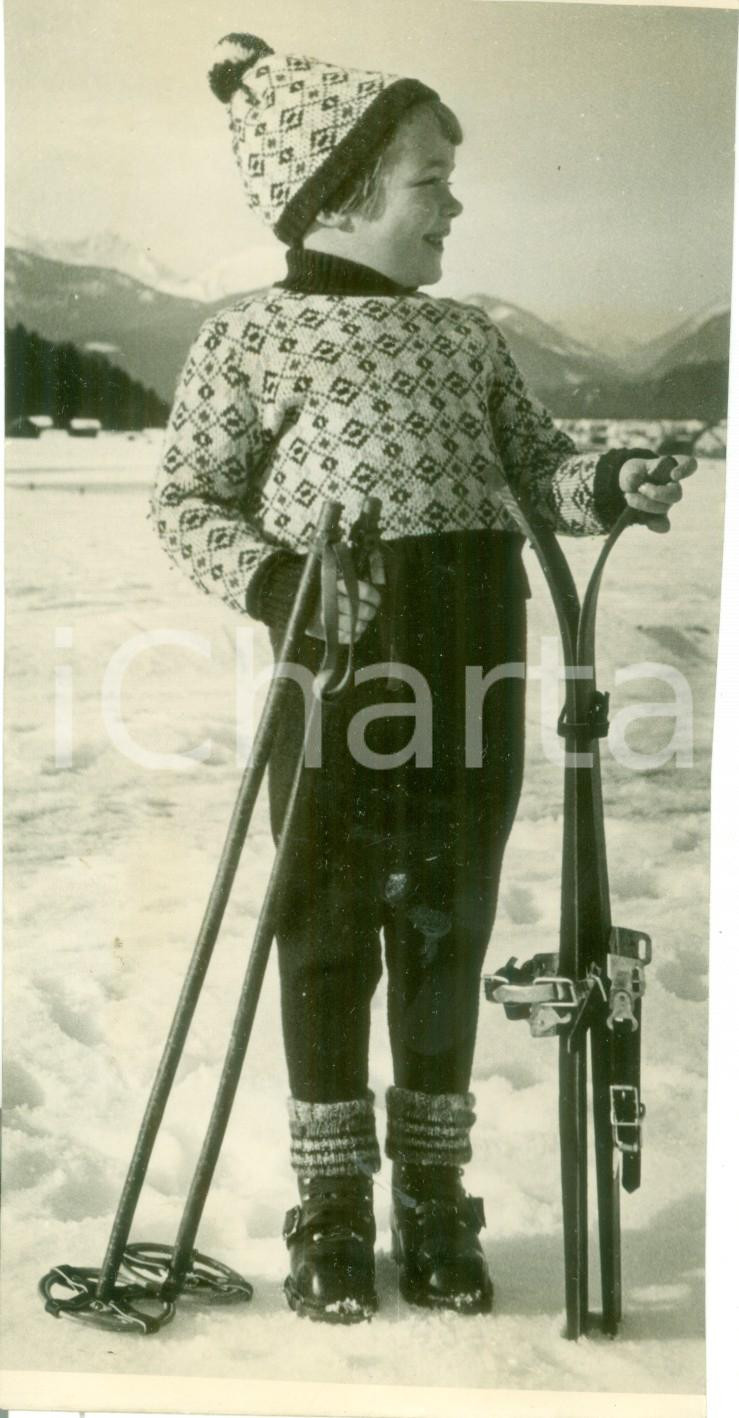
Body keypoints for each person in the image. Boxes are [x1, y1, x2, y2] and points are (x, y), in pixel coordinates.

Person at [152, 31, 694, 1324]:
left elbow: (542, 467)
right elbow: (186, 498)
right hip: (337, 668)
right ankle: (333, 1200)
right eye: (430, 181)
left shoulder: (466, 337)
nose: (454, 203)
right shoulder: (250, 340)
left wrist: (611, 483)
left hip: (475, 659)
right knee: (328, 926)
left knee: (449, 922)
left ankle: (436, 1191)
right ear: (341, 194)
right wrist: (281, 579)